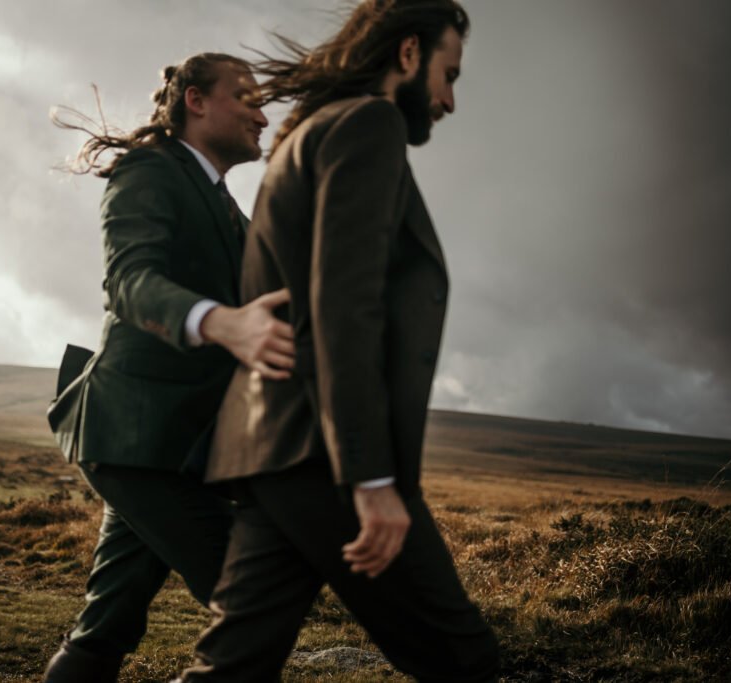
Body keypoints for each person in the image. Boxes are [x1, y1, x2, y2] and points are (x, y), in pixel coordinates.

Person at [177, 2, 499, 681]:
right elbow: (342, 303)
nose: (449, 99)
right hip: (324, 455)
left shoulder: (311, 131)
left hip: (274, 446)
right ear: (407, 55)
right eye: (449, 74)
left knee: (232, 667)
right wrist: (372, 478)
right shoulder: (369, 122)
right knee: (462, 657)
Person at [43, 53, 295, 683]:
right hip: (134, 434)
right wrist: (221, 321)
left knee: (107, 627)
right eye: (247, 97)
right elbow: (129, 281)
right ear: (195, 99)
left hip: (170, 445)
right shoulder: (149, 170)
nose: (263, 115)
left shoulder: (224, 203)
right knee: (255, 602)